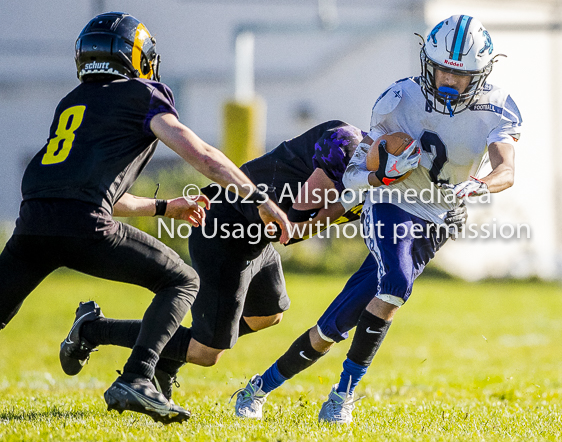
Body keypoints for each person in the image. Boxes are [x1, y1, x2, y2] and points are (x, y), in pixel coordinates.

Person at [0, 12, 291, 425]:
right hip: (84, 225)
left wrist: (162, 207)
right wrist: (258, 196)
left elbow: (91, 190)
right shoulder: (141, 94)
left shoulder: (73, 102)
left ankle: (135, 367)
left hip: (32, 223)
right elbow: (204, 156)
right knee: (182, 280)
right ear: (136, 56)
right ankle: (139, 376)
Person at [233, 14, 522, 424]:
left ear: (480, 74)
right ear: (427, 62)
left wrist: (481, 184)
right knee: (396, 282)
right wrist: (380, 174)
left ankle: (257, 388)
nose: (447, 80)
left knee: (335, 325)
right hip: (391, 201)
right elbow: (353, 175)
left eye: (459, 75)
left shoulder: (496, 107)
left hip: (441, 215)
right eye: (441, 68)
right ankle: (343, 397)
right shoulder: (399, 99)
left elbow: (507, 170)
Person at [60, 119, 388, 399]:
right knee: (206, 353)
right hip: (223, 229)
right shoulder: (345, 146)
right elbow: (294, 228)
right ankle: (92, 330)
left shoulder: (388, 186)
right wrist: (352, 198)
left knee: (268, 314)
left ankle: (169, 358)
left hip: (254, 240)